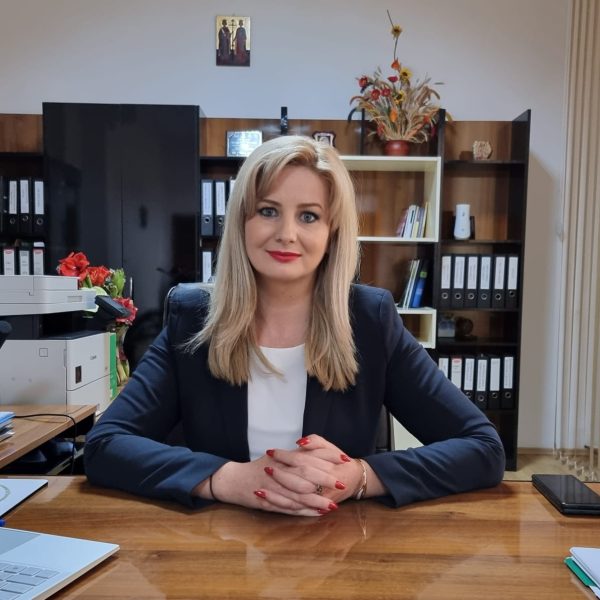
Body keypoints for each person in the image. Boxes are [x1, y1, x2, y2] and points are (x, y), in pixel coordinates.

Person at [84, 135, 505, 517]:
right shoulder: (192, 317)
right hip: (217, 549)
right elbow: (105, 446)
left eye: (309, 216)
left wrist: (360, 476)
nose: (287, 234)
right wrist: (225, 478)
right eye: (268, 211)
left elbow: (483, 448)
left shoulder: (370, 319)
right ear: (241, 222)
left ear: (332, 232)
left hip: (338, 548)